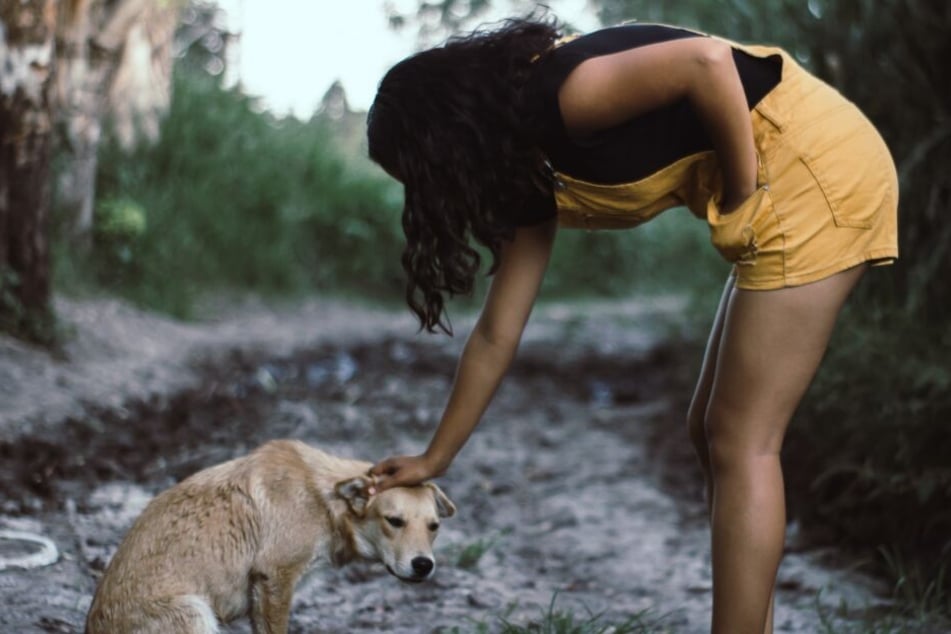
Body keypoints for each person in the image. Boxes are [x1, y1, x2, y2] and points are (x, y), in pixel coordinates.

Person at [364, 14, 898, 634]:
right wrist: (435, 457)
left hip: (818, 173)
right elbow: (495, 334)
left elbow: (707, 64)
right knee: (711, 431)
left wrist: (745, 190)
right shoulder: (525, 175)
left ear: (451, 142)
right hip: (788, 182)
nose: (438, 195)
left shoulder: (567, 96)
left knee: (742, 438)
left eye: (427, 176)